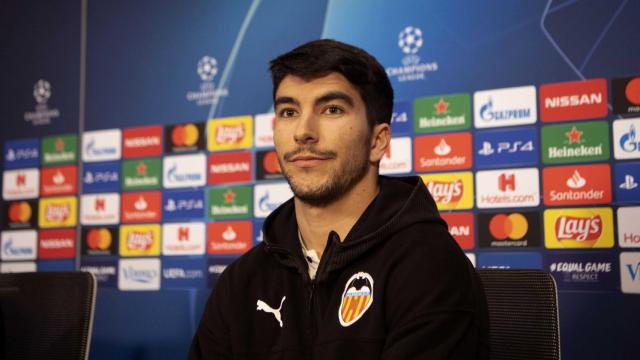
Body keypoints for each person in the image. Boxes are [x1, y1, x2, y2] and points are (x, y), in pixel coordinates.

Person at [189, 39, 489, 359]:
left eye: (332, 109)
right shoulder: (241, 281)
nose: (303, 131)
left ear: (377, 141)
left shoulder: (430, 267)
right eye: (289, 111)